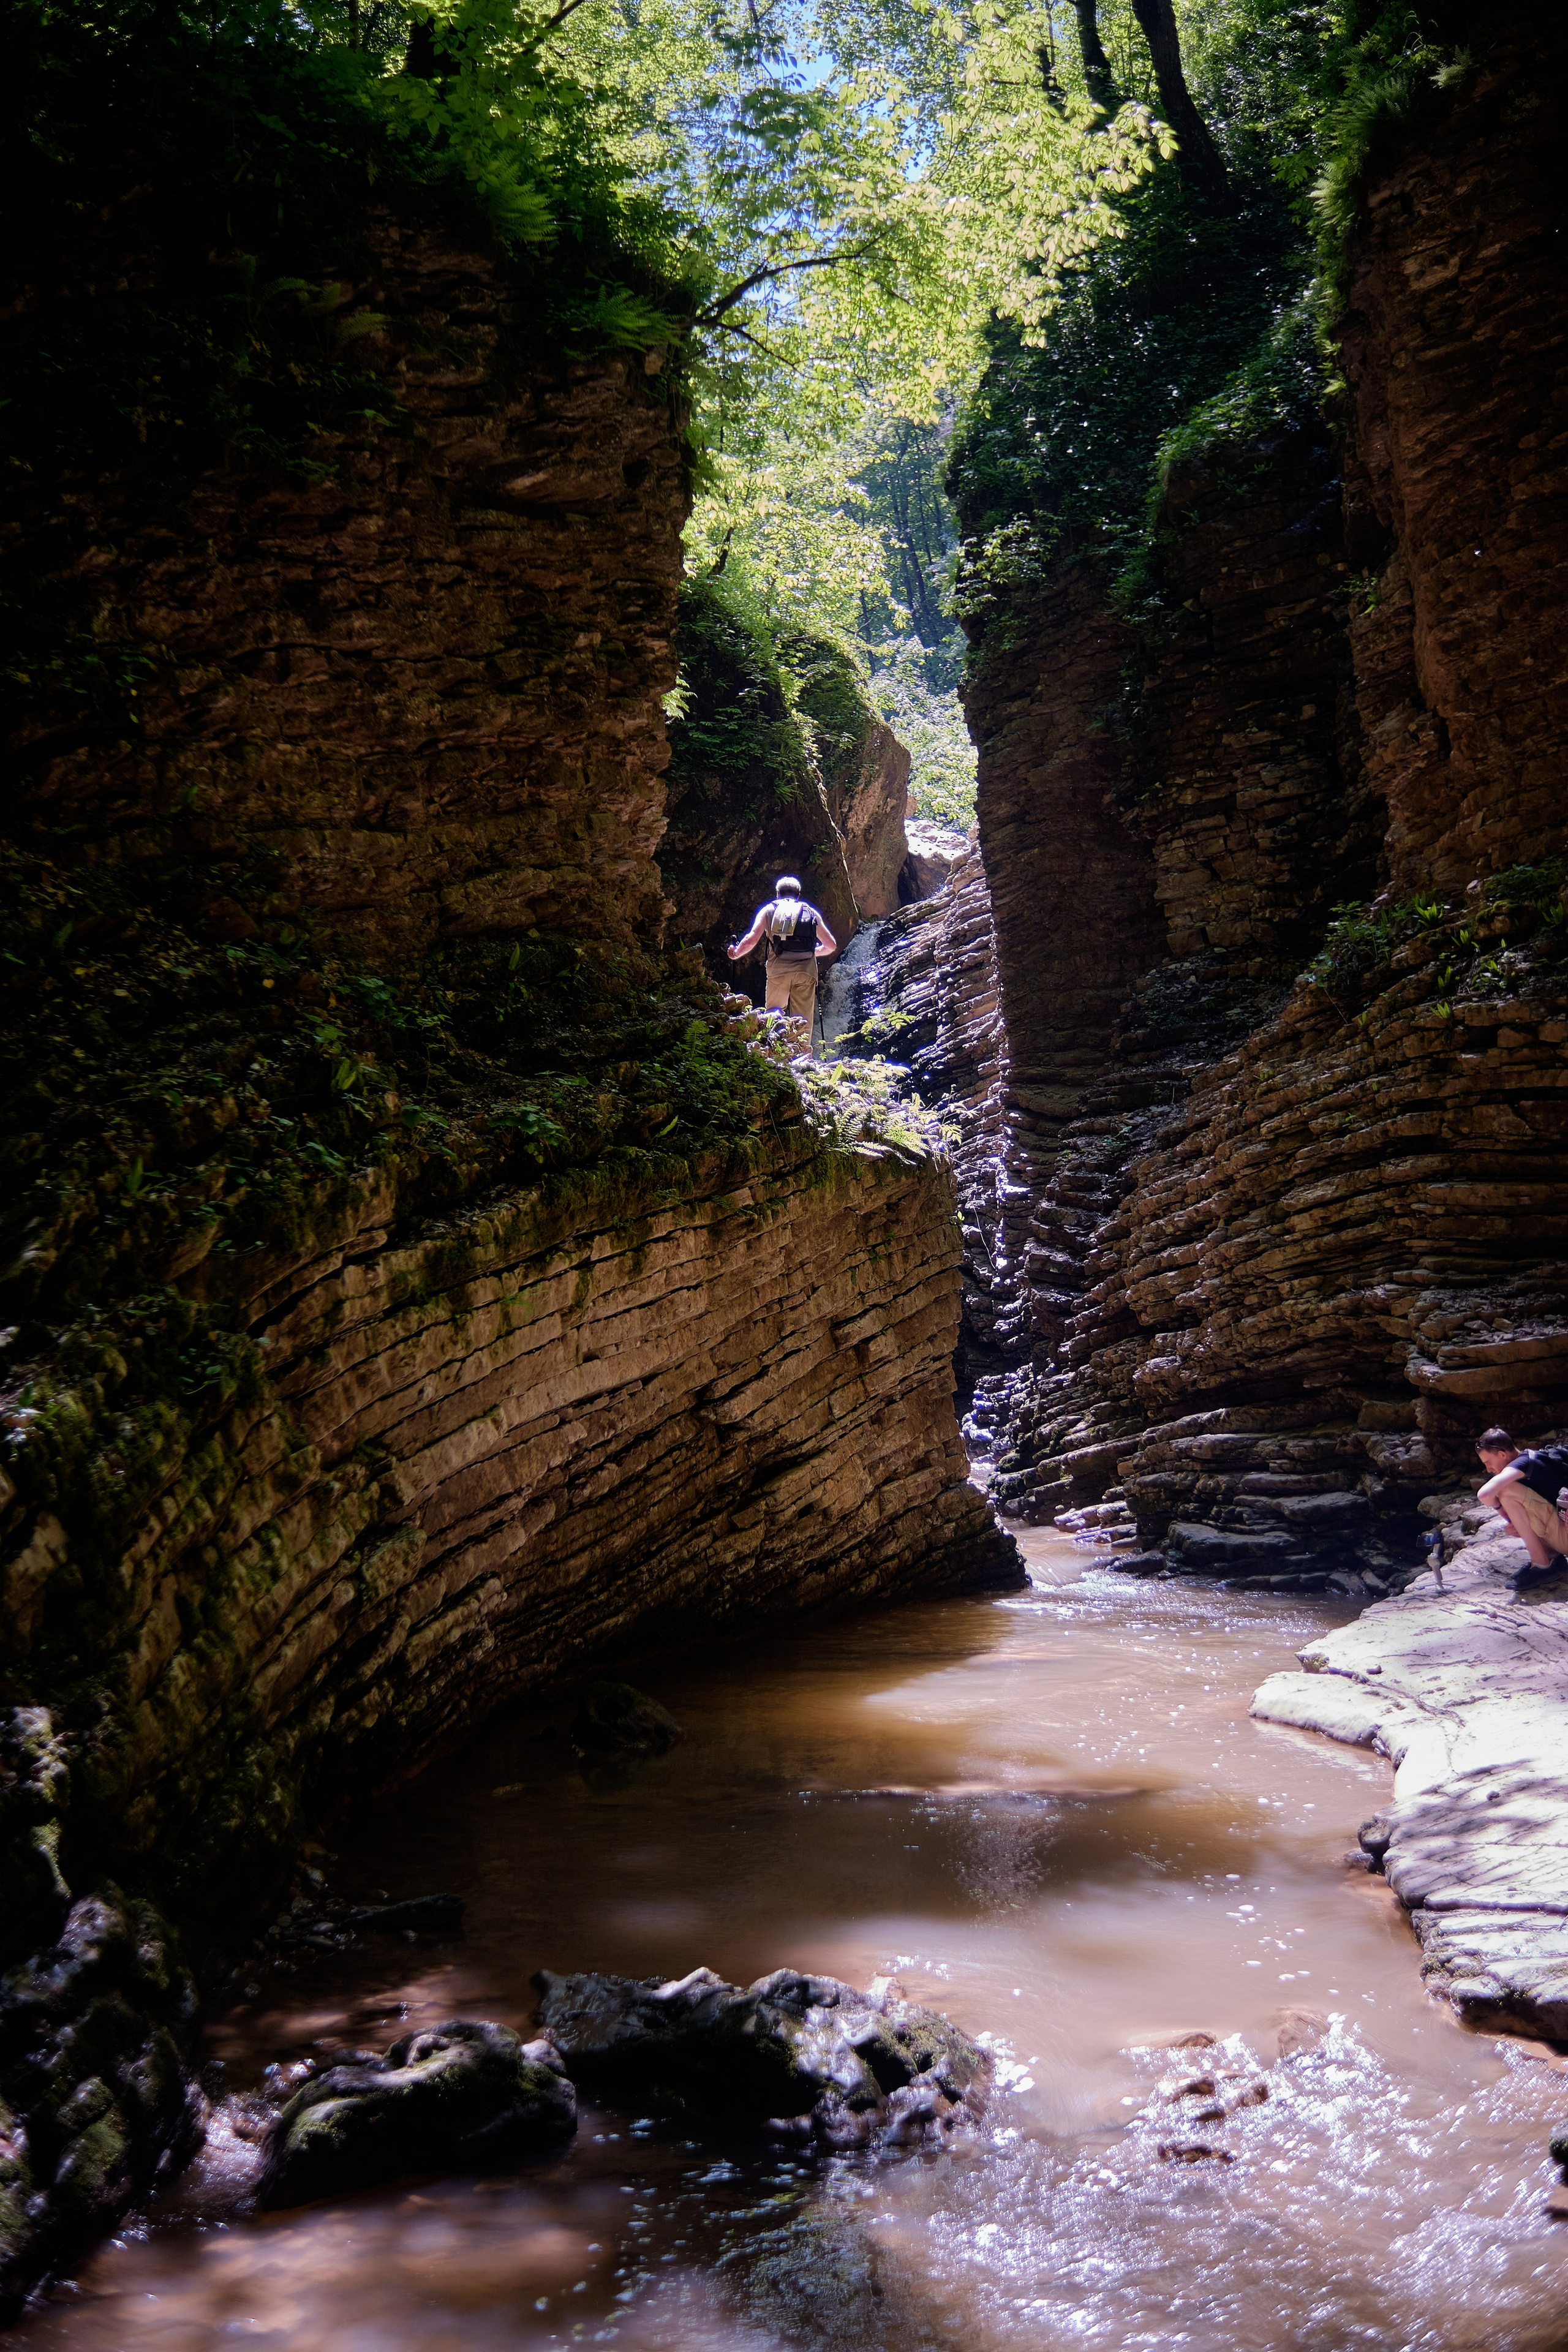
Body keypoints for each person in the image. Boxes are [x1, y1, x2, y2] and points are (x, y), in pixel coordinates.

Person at [728, 873, 836, 1047]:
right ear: (799, 895)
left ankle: (774, 1053)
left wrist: (735, 953)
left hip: (778, 971)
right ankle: (803, 1059)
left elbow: (751, 939)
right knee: (803, 1020)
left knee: (774, 1013)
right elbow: (831, 945)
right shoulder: (811, 912)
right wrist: (811, 952)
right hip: (806, 972)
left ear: (777, 894)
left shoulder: (769, 910)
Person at [1475, 1425, 1568, 1580]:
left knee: (1505, 1491)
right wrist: (1516, 1523)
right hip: (1562, 1535)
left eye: (1488, 1462)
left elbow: (1484, 1495)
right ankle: (1551, 1556)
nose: (1488, 1469)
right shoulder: (1531, 1460)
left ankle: (1542, 1566)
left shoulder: (1521, 1465)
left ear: (1502, 1454)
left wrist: (1501, 1509)